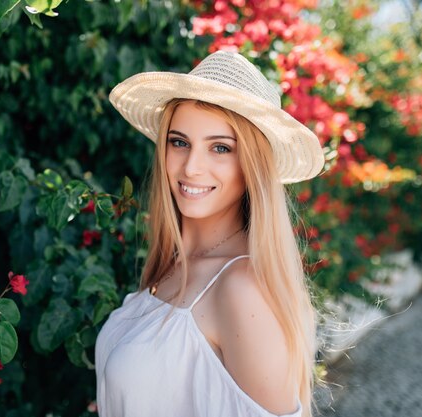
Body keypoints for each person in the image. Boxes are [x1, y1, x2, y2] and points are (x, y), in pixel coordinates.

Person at [95, 51, 324, 417]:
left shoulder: (241, 288)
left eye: (220, 148)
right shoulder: (173, 265)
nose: (191, 167)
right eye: (179, 142)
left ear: (252, 166)